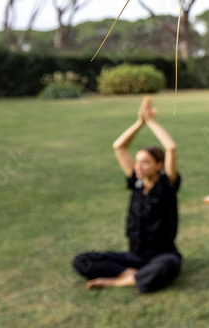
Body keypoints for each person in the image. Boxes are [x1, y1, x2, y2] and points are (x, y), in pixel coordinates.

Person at [72, 96, 181, 293]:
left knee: (170, 264)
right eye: (137, 161)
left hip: (160, 255)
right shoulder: (137, 182)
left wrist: (152, 123)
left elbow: (171, 148)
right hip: (135, 256)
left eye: (145, 162)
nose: (138, 166)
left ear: (159, 165)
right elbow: (119, 147)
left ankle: (121, 281)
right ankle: (135, 275)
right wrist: (139, 122)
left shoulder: (166, 185)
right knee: (82, 261)